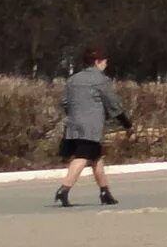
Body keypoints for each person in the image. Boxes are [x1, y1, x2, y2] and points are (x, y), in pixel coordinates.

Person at [53, 49, 133, 207]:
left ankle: (105, 192)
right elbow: (113, 104)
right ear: (97, 62)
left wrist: (76, 113)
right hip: (91, 127)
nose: (106, 64)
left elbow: (64, 102)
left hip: (73, 124)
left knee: (96, 157)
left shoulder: (73, 79)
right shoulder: (101, 80)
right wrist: (126, 124)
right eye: (104, 61)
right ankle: (64, 189)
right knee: (82, 157)